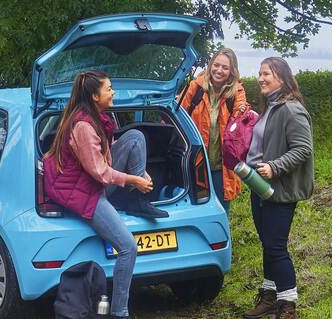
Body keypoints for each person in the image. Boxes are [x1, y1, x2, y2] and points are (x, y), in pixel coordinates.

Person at [42, 70, 159, 319]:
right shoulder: (83, 125)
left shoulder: (96, 118)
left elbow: (109, 152)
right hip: (83, 191)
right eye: (109, 88)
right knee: (128, 247)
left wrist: (141, 172)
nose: (113, 92)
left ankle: (137, 200)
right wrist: (133, 180)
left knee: (135, 137)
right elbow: (99, 172)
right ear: (95, 96)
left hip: (92, 182)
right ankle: (120, 313)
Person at [241, 57, 315, 319]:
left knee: (275, 247)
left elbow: (303, 149)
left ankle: (288, 305)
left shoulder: (291, 110)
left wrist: (275, 167)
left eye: (267, 74)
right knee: (268, 244)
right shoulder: (270, 107)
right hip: (259, 187)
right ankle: (270, 295)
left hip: (279, 189)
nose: (261, 78)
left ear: (282, 78)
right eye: (259, 73)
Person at [177, 48, 250, 211]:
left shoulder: (236, 92)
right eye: (216, 65)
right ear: (210, 66)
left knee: (221, 211)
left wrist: (243, 115)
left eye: (225, 67)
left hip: (221, 167)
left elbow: (242, 117)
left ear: (232, 71)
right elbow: (178, 113)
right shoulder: (195, 88)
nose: (219, 70)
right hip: (195, 163)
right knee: (194, 210)